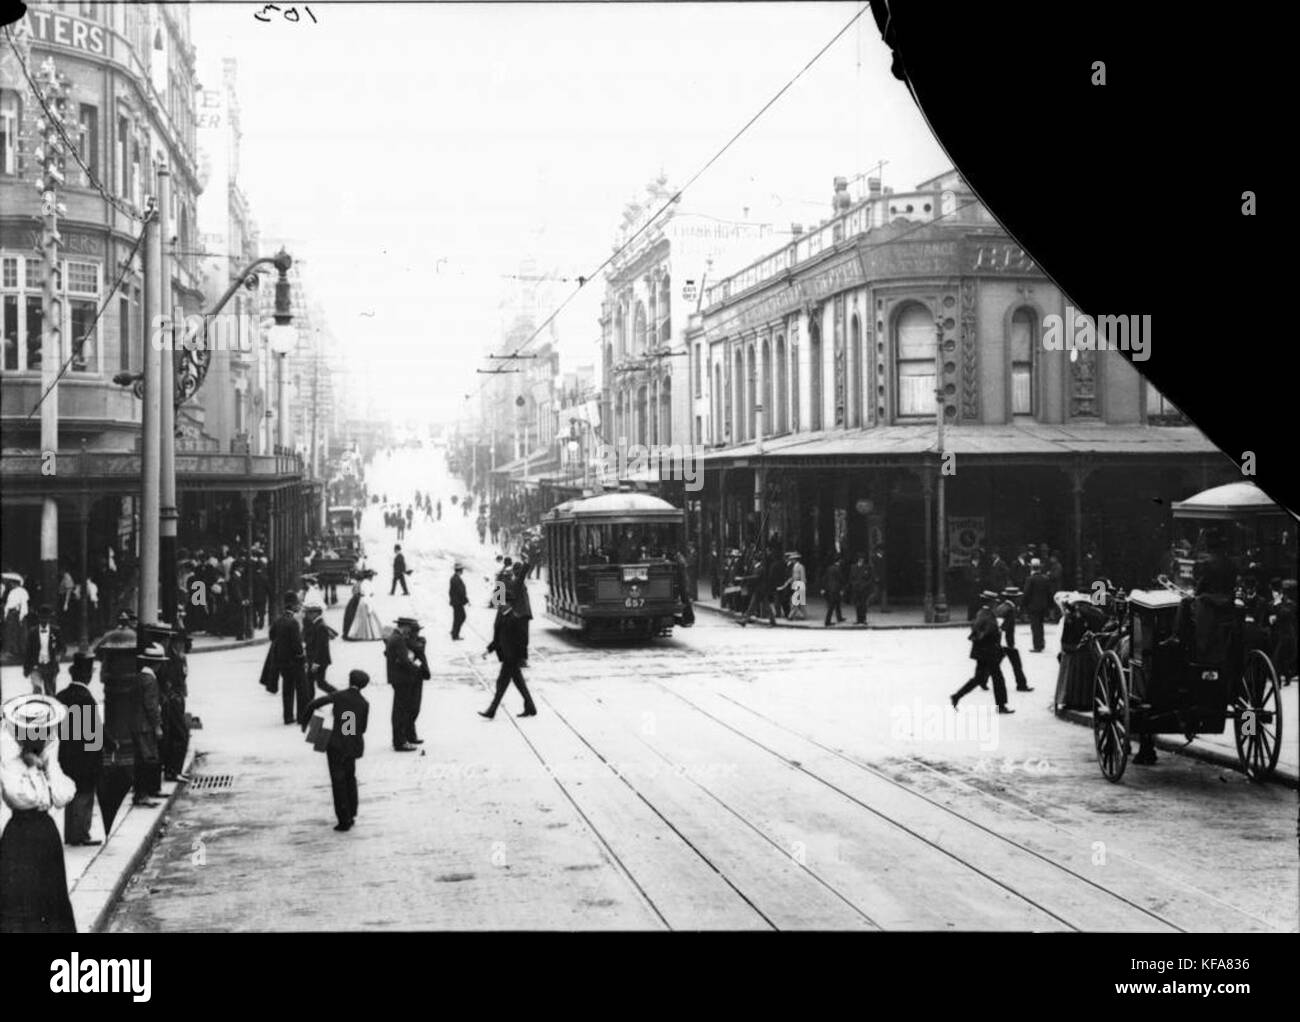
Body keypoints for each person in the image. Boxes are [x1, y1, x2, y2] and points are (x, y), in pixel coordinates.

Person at [0, 693, 78, 932]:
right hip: (20, 833)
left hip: (45, 833)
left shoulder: (46, 757)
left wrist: (47, 764)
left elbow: (63, 795)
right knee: (23, 899)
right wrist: (33, 768)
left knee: (51, 899)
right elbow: (22, 797)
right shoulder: (10, 762)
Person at [300, 669, 370, 832]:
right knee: (350, 778)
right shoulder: (363, 703)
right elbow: (361, 728)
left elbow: (313, 704)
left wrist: (305, 722)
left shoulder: (338, 696)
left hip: (336, 745)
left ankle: (344, 819)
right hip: (352, 745)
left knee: (338, 781)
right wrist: (349, 726)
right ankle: (351, 813)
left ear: (349, 680)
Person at [55, 653, 103, 847]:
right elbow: (94, 733)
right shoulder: (87, 699)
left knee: (70, 792)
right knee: (84, 793)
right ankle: (80, 833)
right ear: (88, 677)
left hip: (65, 753)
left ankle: (70, 833)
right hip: (85, 756)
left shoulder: (60, 696)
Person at [951, 592, 1013, 714]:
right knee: (997, 678)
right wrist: (996, 632)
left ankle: (957, 696)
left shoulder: (983, 613)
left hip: (983, 651)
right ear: (990, 602)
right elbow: (984, 632)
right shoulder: (987, 615)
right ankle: (1001, 706)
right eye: (994, 602)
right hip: (988, 652)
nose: (996, 604)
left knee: (979, 678)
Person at [479, 600, 536, 719]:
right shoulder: (502, 618)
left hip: (511, 659)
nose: (500, 606)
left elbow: (523, 640)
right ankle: (530, 706)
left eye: (502, 604)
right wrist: (488, 650)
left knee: (501, 684)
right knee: (519, 683)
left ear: (509, 604)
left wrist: (522, 658)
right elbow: (497, 640)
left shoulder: (515, 619)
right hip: (507, 657)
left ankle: (492, 710)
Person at [386, 617, 428, 751]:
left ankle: (405, 737)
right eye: (409, 628)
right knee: (400, 712)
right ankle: (400, 741)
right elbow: (404, 660)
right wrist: (416, 669)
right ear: (404, 626)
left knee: (404, 710)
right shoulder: (398, 639)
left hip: (400, 678)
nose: (410, 631)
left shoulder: (395, 637)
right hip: (402, 679)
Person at [267, 592, 309, 725]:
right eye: (297, 604)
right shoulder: (293, 622)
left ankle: (288, 716)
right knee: (301, 689)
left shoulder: (278, 620)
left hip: (282, 661)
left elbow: (271, 636)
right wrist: (302, 656)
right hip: (295, 661)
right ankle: (302, 716)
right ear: (292, 605)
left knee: (287, 688)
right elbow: (297, 644)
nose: (299, 606)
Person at [133, 644, 166, 803]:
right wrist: (157, 726)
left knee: (143, 759)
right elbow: (151, 706)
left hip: (138, 723)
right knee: (147, 759)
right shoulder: (150, 680)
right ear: (157, 664)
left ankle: (146, 792)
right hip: (145, 726)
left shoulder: (140, 677)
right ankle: (143, 794)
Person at [997, 590, 1034, 693]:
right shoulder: (1010, 609)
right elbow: (1006, 627)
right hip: (1007, 641)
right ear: (1013, 598)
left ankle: (982, 679)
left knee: (996, 662)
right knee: (1016, 664)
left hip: (1001, 641)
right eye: (1018, 597)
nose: (1019, 599)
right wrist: (1010, 643)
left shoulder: (1002, 607)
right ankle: (1021, 685)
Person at [24, 604, 64, 696]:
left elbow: (62, 647)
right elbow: (28, 651)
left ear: (49, 619)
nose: (44, 621)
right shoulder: (33, 632)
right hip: (36, 666)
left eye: (46, 618)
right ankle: (38, 704)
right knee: (37, 689)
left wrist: (59, 655)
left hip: (50, 666)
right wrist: (27, 668)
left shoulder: (56, 631)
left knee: (50, 692)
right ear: (38, 618)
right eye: (42, 618)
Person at [303, 600, 338, 695]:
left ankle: (339, 696)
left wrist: (316, 663)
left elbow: (321, 647)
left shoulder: (320, 626)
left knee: (319, 683)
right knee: (312, 681)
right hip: (317, 660)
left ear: (316, 613)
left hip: (319, 661)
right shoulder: (317, 624)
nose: (307, 615)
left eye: (310, 613)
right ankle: (310, 700)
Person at [1023, 558, 1053, 652]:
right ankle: (1041, 643)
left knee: (1035, 626)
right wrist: (1050, 606)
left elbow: (1026, 593)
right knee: (1040, 625)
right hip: (1043, 606)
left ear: (1031, 568)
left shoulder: (1030, 579)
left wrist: (1024, 605)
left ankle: (1037, 645)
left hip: (1033, 606)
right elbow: (1049, 593)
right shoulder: (1045, 579)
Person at [849, 553, 874, 625]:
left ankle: (864, 619)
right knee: (857, 605)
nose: (861, 560)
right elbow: (851, 577)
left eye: (862, 559)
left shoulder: (867, 567)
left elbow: (870, 578)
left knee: (863, 605)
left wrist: (866, 585)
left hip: (864, 589)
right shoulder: (853, 567)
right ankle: (858, 619)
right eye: (860, 559)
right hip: (856, 589)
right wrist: (853, 584)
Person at [821, 555, 845, 627]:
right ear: (839, 561)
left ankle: (839, 617)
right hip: (836, 589)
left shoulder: (829, 568)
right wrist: (842, 589)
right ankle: (827, 621)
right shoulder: (838, 569)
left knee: (837, 604)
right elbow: (841, 579)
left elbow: (825, 578)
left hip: (829, 589)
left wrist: (823, 588)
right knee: (832, 606)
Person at [449, 562, 468, 640]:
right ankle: (455, 635)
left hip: (456, 602)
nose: (462, 571)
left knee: (458, 617)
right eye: (462, 570)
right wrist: (465, 599)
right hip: (458, 602)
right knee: (461, 617)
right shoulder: (456, 579)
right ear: (459, 570)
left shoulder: (454, 578)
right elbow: (460, 591)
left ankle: (454, 632)